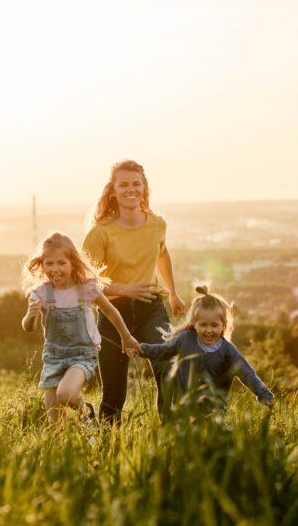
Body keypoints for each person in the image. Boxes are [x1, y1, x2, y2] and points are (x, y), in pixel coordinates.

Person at [82, 160, 185, 422]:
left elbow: (162, 253)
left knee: (168, 365)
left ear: (144, 188)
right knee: (114, 392)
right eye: (124, 184)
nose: (131, 189)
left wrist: (172, 293)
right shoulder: (100, 232)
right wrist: (126, 288)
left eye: (136, 183)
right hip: (113, 312)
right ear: (113, 191)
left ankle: (170, 431)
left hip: (151, 307)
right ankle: (108, 445)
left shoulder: (157, 223)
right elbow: (86, 282)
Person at [22, 233, 140, 421]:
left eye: (62, 263)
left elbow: (110, 311)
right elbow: (29, 327)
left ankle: (86, 412)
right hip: (53, 356)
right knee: (54, 421)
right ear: (42, 264)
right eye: (49, 263)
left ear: (73, 263)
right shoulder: (41, 292)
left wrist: (126, 337)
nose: (55, 269)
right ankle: (86, 433)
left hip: (82, 354)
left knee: (66, 393)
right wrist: (31, 314)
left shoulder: (85, 288)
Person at [136, 286, 274, 416]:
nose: (209, 330)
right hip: (183, 411)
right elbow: (163, 351)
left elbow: (246, 372)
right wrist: (139, 348)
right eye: (203, 325)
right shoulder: (185, 339)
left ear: (223, 325)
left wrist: (264, 394)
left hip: (214, 413)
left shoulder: (228, 350)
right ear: (194, 324)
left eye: (214, 325)